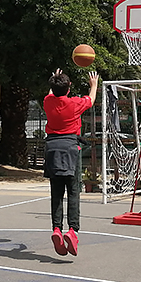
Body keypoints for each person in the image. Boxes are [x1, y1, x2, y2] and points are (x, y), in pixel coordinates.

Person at [43, 68, 99, 256]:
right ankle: (72, 231)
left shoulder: (48, 102)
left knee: (56, 193)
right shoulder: (74, 103)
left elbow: (52, 92)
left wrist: (55, 77)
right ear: (69, 88)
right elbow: (91, 100)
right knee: (73, 191)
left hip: (52, 149)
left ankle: (56, 229)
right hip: (70, 149)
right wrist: (94, 84)